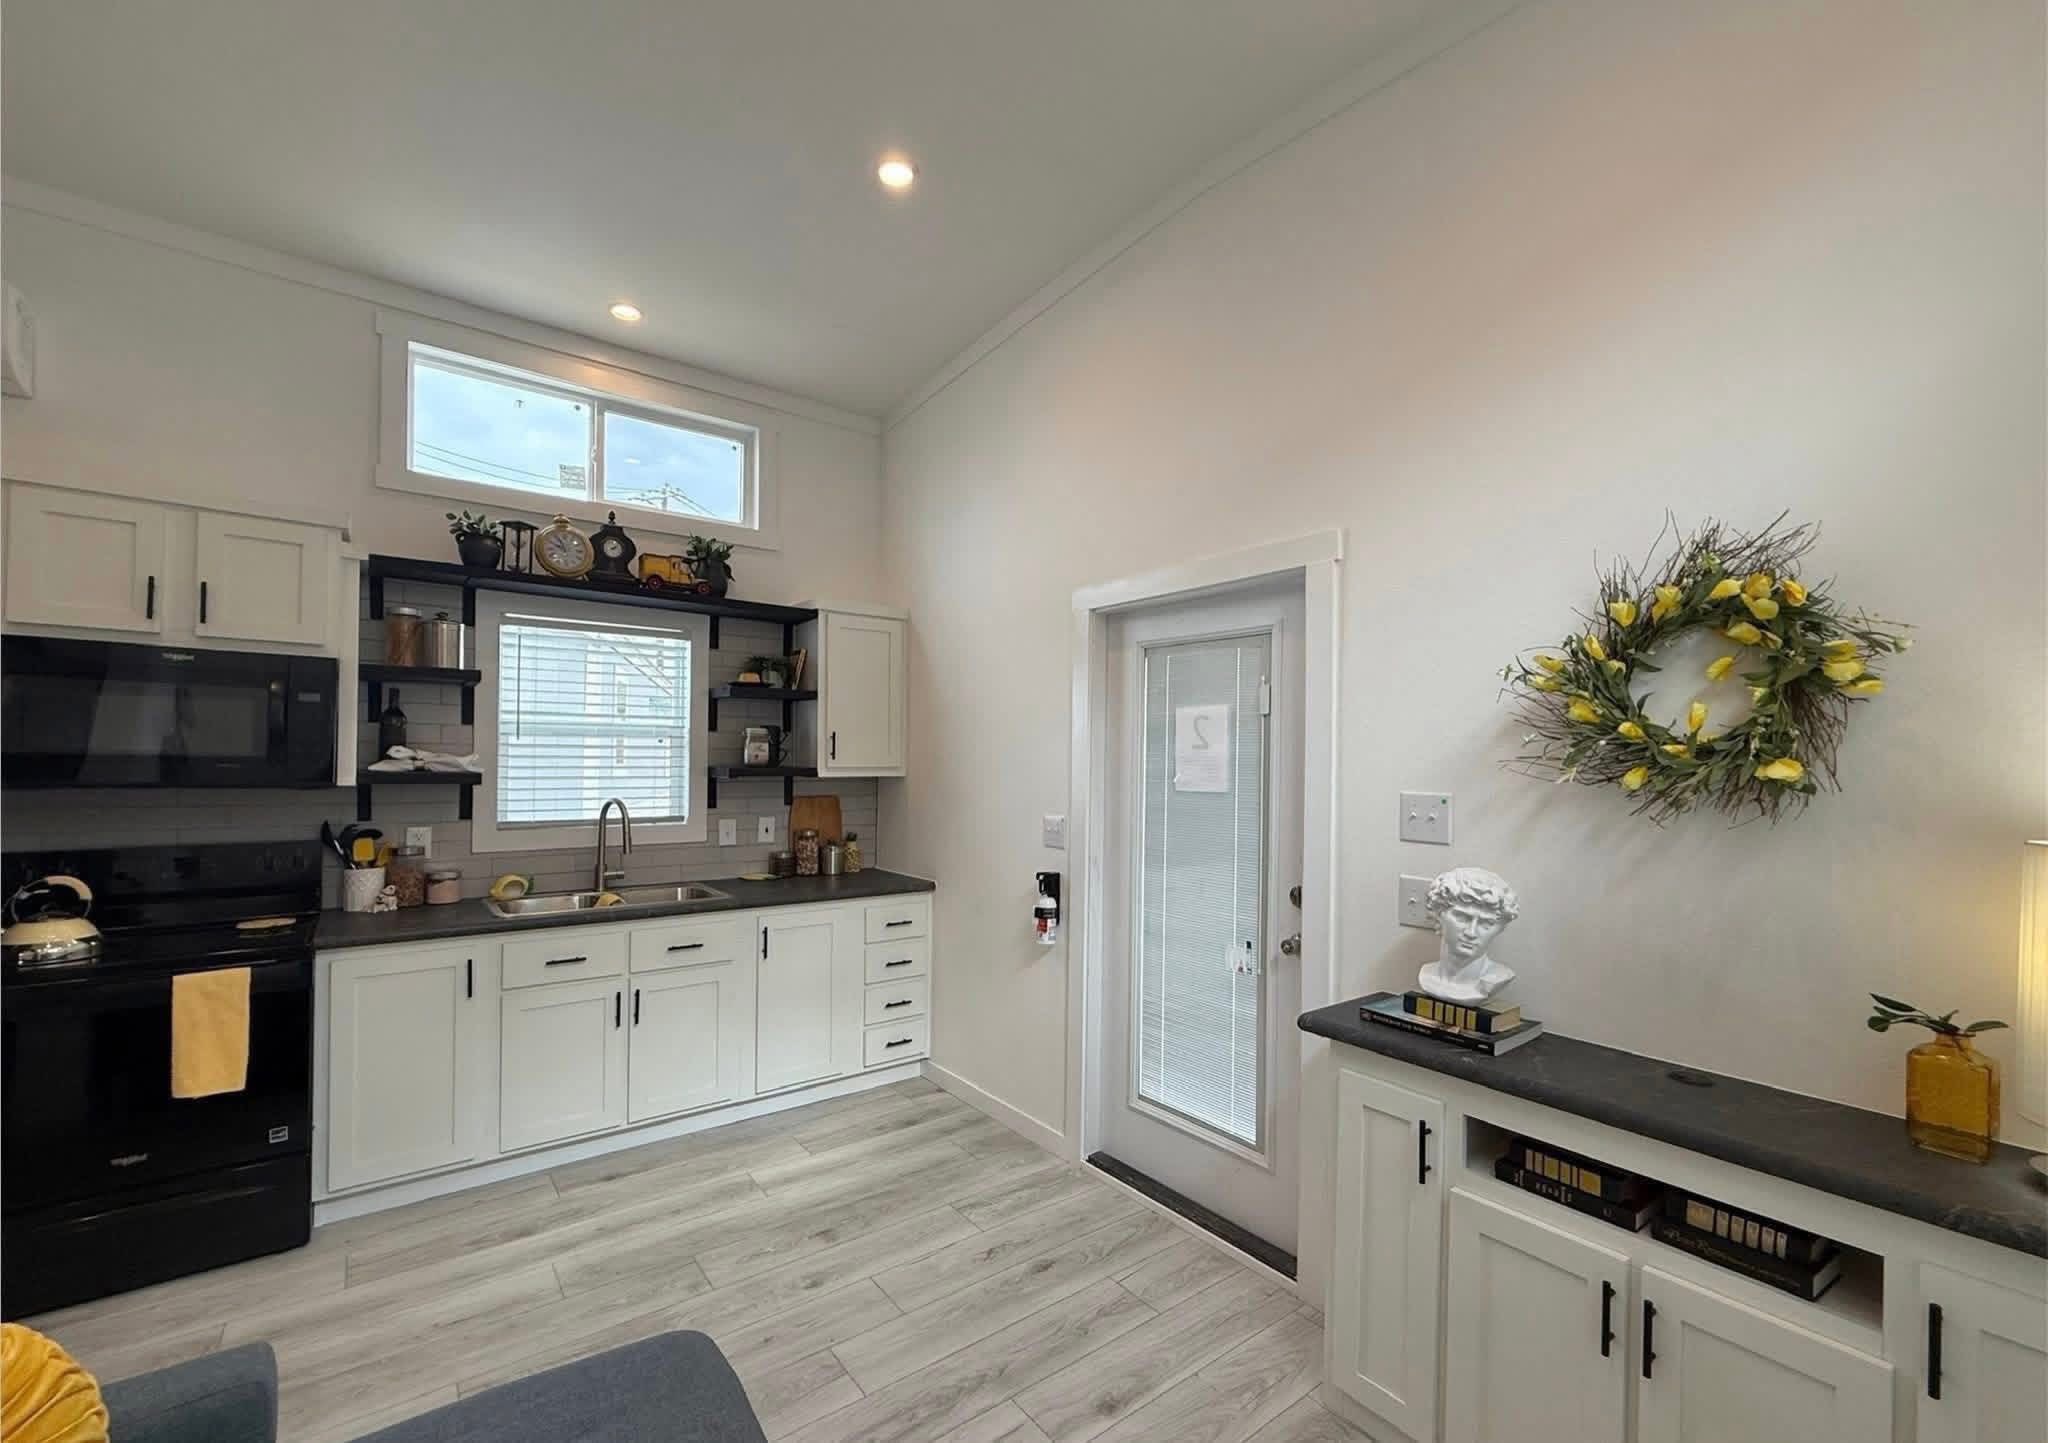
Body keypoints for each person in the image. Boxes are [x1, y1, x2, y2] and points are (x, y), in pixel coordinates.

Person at [1419, 866, 1520, 1003]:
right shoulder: (1427, 975)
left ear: (1500, 929)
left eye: (1485, 924)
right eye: (1462, 918)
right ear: (1438, 915)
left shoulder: (1496, 979)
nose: (1471, 933)